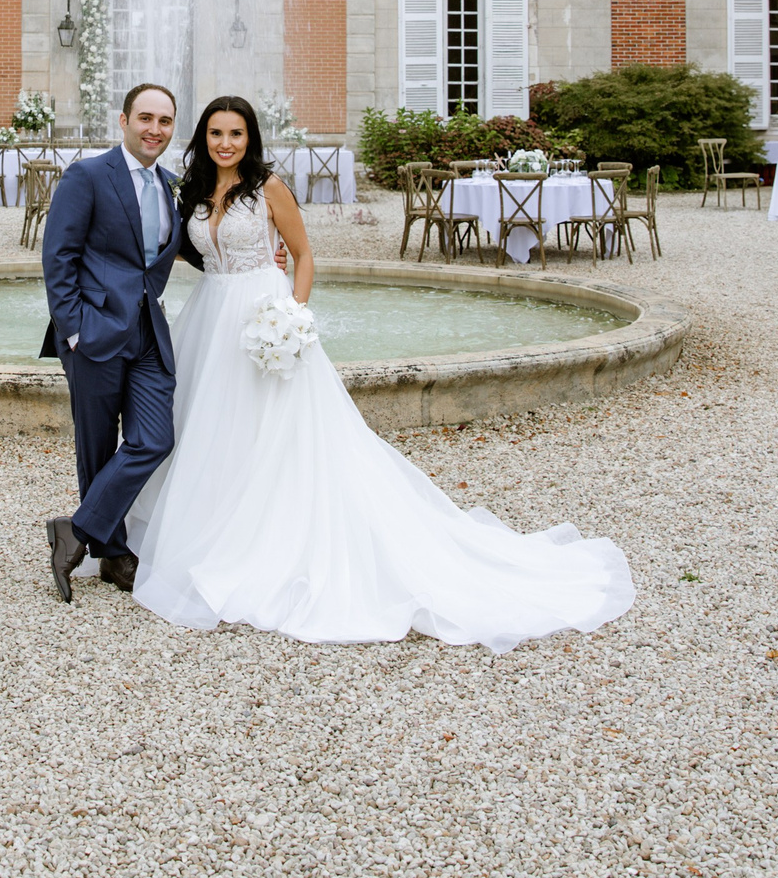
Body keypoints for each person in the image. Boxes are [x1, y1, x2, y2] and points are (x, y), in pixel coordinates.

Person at [125, 96, 637, 651]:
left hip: (264, 317)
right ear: (202, 138)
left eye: (236, 134)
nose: (226, 143)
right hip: (211, 316)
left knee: (274, 428)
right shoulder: (193, 191)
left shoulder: (268, 187)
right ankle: (208, 527)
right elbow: (189, 249)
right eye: (216, 133)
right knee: (209, 425)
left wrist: (292, 316)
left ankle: (266, 536)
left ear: (250, 139)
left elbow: (303, 255)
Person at [39, 82, 192, 601]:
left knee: (155, 439)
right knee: (97, 447)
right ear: (124, 121)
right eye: (145, 118)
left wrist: (261, 253)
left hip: (149, 332)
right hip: (95, 332)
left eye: (165, 121)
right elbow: (58, 256)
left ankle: (76, 530)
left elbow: (188, 249)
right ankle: (113, 554)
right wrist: (75, 329)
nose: (155, 129)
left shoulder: (172, 185)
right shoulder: (87, 175)